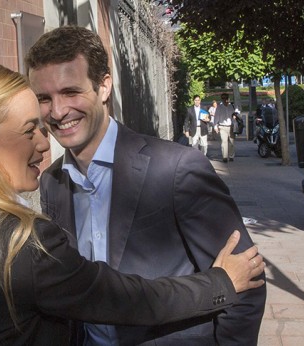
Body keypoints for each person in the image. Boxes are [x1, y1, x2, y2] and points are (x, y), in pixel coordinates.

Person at [0, 64, 265, 345]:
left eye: (41, 126)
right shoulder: (26, 245)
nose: (44, 142)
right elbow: (127, 299)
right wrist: (221, 282)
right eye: (29, 129)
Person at [26, 26, 267, 345]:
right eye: (44, 98)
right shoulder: (52, 183)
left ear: (103, 87)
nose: (57, 112)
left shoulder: (177, 169)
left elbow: (247, 283)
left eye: (71, 92)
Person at [214, 93, 239, 162]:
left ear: (228, 98)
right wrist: (215, 126)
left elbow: (237, 113)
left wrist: (235, 116)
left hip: (231, 126)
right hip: (222, 126)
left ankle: (231, 156)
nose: (224, 100)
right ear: (221, 99)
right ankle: (224, 157)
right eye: (223, 98)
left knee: (231, 142)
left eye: (226, 98)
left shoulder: (232, 106)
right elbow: (216, 117)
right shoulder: (219, 107)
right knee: (224, 142)